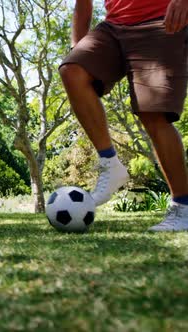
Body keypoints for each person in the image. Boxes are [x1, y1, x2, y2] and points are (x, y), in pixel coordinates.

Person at [59, 0, 188, 231]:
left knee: (154, 114)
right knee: (72, 70)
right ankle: (110, 163)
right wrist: (78, 49)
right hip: (114, 26)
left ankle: (183, 206)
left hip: (162, 20)